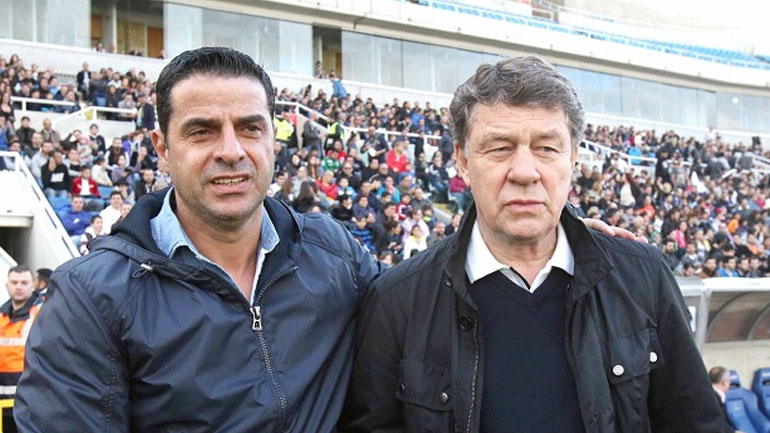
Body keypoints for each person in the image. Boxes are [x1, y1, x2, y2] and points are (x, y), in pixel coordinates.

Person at [341, 56, 726, 432]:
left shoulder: (643, 277)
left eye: (546, 148)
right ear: (462, 161)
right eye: (499, 148)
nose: (525, 172)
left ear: (573, 158)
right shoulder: (397, 301)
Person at [15, 46, 380, 433]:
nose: (231, 151)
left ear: (273, 138)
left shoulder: (334, 254)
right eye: (201, 131)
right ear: (162, 148)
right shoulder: (90, 296)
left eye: (250, 128)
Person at [1, 266, 41, 432]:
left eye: (24, 283)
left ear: (33, 286)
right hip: (3, 404)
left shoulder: (41, 314)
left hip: (29, 403)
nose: (18, 287)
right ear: (7, 286)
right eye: (14, 282)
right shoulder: (1, 316)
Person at [709, 366, 745, 433]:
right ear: (724, 383)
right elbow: (719, 422)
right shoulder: (715, 399)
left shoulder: (709, 394)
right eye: (729, 381)